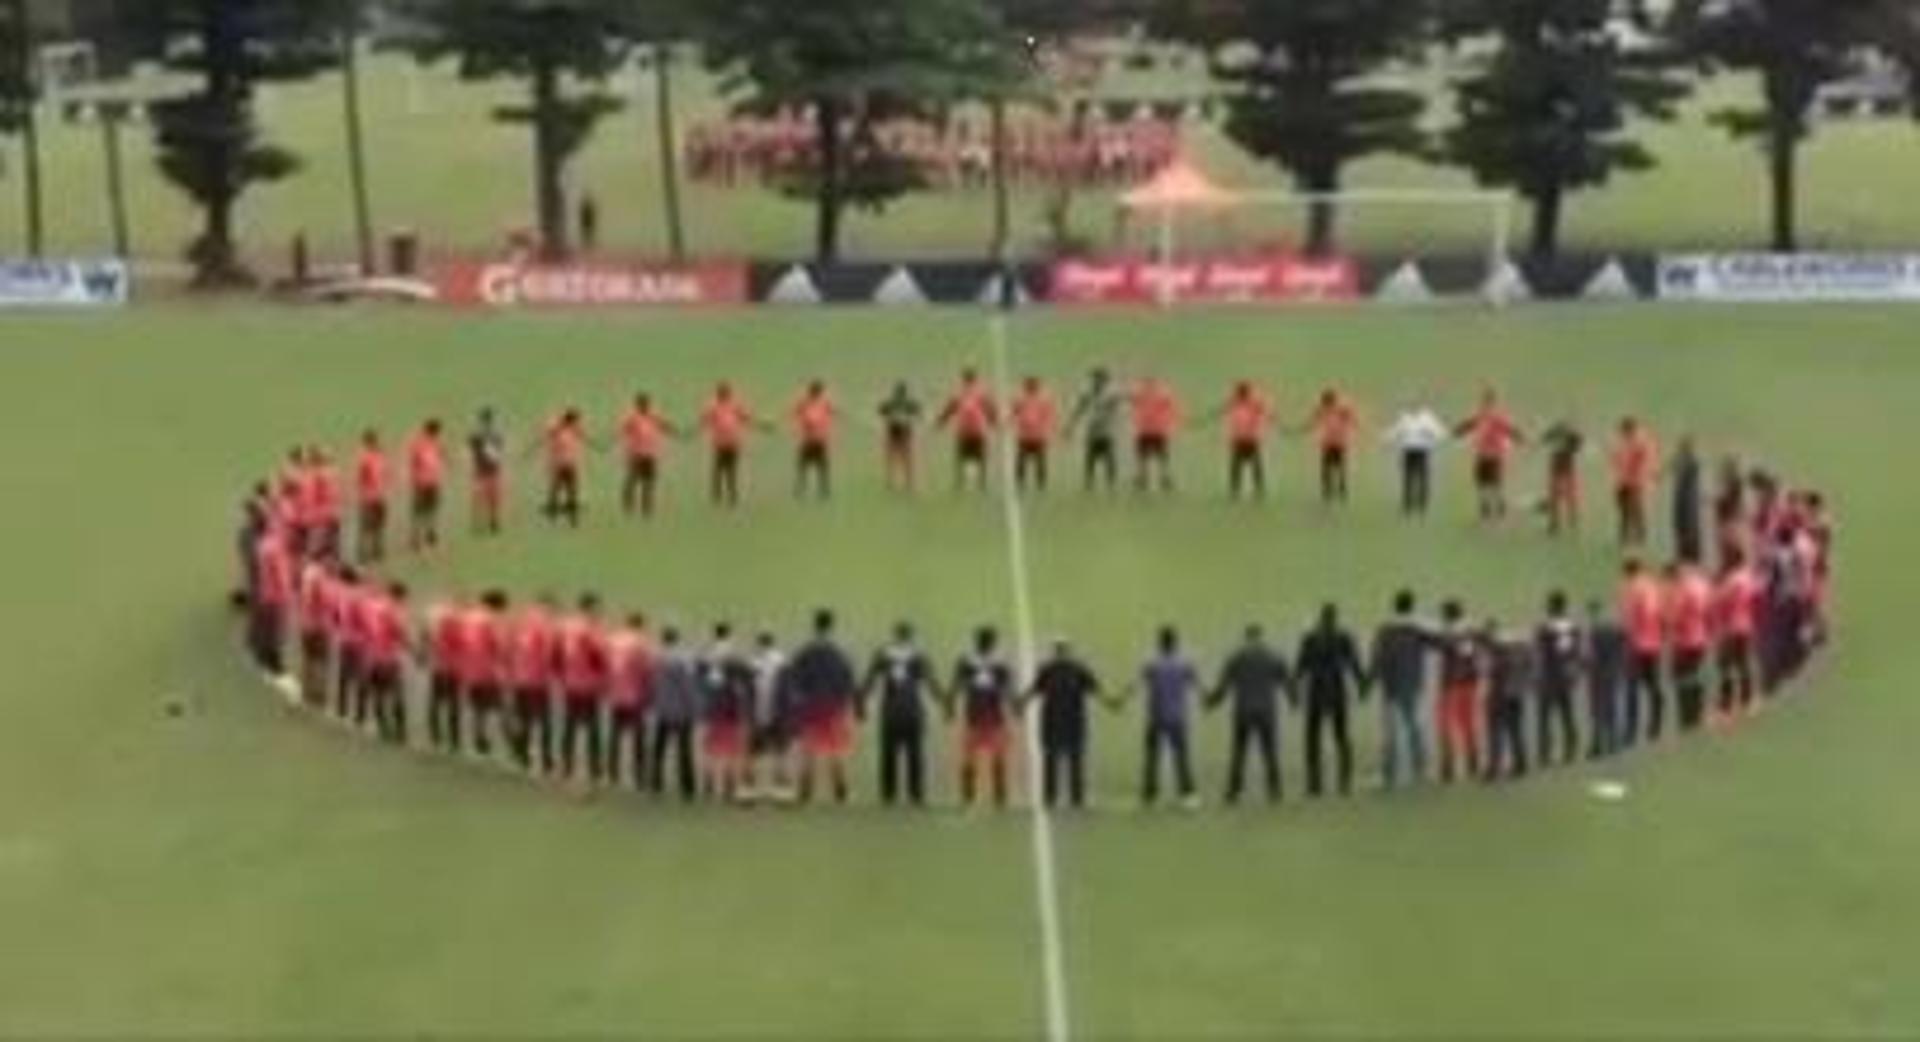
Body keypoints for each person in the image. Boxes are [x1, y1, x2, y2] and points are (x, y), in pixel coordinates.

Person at [1207, 624, 1293, 804]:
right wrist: (1294, 699)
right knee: (1269, 751)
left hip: (1243, 711)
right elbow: (1286, 681)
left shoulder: (1236, 657)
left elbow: (1223, 686)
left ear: (1246, 637)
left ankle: (1233, 791)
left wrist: (1211, 702)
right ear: (1261, 636)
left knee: (1239, 751)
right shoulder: (1273, 655)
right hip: (1266, 711)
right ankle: (1274, 790)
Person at [786, 609, 860, 804]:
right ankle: (840, 791)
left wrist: (798, 699)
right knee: (836, 748)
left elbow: (792, 678)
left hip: (810, 705)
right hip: (834, 706)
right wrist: (849, 702)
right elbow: (848, 679)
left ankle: (805, 791)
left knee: (808, 748)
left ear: (815, 625)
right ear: (831, 626)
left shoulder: (805, 650)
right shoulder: (840, 651)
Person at [1295, 604, 1369, 797]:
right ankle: (1344, 782)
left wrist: (1294, 689)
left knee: (1313, 738)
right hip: (1337, 691)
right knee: (1342, 737)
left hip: (1316, 691)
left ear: (1321, 617)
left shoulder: (1310, 638)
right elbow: (1354, 664)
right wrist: (1362, 686)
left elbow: (1301, 666)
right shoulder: (1344, 637)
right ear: (1335, 618)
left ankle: (1314, 783)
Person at [863, 621, 939, 807]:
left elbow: (869, 681)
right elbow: (931, 682)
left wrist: (860, 703)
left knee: (888, 754)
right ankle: (916, 795)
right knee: (915, 754)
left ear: (896, 635)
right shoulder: (919, 655)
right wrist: (945, 703)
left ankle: (888, 795)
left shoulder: (883, 654)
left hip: (890, 711)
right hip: (913, 710)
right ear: (911, 636)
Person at [1027, 637, 1105, 809]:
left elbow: (1034, 690)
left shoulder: (1050, 669)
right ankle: (1070, 797)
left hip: (1056, 721)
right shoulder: (1076, 669)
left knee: (1056, 760)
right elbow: (1096, 689)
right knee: (1068, 760)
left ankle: (1055, 797)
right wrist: (1111, 702)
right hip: (1070, 721)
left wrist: (1021, 703)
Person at [1369, 591, 1432, 789]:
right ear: (1411, 606)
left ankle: (1390, 774)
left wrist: (1368, 682)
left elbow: (1377, 658)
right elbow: (1441, 642)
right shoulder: (1417, 628)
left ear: (1394, 605)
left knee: (1390, 730)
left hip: (1391, 684)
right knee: (1414, 726)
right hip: (1412, 683)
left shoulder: (1385, 629)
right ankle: (1420, 770)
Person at [951, 626, 1017, 809]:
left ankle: (968, 796)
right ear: (993, 642)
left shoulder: (966, 661)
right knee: (997, 757)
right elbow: (1009, 688)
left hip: (974, 715)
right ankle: (999, 797)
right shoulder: (1000, 663)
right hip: (994, 717)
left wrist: (949, 704)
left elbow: (955, 685)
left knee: (970, 757)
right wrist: (1016, 705)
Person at [697, 623, 755, 802]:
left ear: (715, 634)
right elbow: (749, 677)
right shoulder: (735, 656)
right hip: (730, 707)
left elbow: (699, 679)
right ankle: (729, 785)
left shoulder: (706, 655)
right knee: (731, 748)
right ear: (729, 635)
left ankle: (708, 784)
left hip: (712, 707)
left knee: (710, 747)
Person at [558, 594, 612, 783]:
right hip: (587, 685)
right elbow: (599, 656)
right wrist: (605, 679)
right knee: (592, 728)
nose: (600, 612)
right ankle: (595, 768)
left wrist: (561, 674)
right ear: (589, 608)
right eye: (597, 608)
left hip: (570, 683)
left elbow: (557, 652)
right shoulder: (590, 629)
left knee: (570, 725)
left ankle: (566, 764)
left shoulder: (566, 625)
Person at [506, 594, 558, 776]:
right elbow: (548, 653)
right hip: (537, 680)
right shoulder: (546, 626)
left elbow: (509, 648)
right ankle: (546, 760)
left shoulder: (520, 621)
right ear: (548, 606)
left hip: (519, 678)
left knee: (523, 717)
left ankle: (520, 754)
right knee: (544, 721)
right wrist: (554, 674)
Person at [647, 626, 700, 801]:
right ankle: (687, 788)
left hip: (663, 710)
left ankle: (656, 783)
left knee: (659, 749)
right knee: (684, 750)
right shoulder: (682, 660)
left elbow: (653, 685)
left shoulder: (656, 659)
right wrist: (694, 709)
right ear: (677, 640)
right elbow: (688, 688)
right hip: (681, 712)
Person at [1455, 388, 1524, 521]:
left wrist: (1520, 439)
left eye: (1488, 402)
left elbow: (1510, 429)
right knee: (1481, 484)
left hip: (1494, 456)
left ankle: (1499, 508)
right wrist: (1457, 432)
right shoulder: (1479, 415)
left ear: (1493, 402)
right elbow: (1468, 424)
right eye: (1484, 401)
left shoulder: (1499, 417)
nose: (1485, 404)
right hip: (1481, 455)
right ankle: (1485, 509)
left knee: (1495, 484)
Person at [1434, 600, 1483, 783]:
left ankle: (1448, 767)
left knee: (1445, 725)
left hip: (1450, 685)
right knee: (1468, 723)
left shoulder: (1448, 634)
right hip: (1471, 682)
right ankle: (1473, 763)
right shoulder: (1471, 631)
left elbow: (1443, 646)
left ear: (1447, 615)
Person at [1620, 557, 1668, 744]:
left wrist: (1628, 636)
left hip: (1637, 645)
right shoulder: (1653, 586)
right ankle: (1655, 726)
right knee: (1653, 685)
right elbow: (1660, 614)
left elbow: (1631, 618)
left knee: (1632, 689)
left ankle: (1631, 732)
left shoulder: (1631, 589)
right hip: (1653, 643)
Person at [1534, 591, 1582, 766]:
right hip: (1566, 675)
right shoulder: (1572, 626)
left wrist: (1537, 675)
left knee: (1544, 716)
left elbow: (1538, 653)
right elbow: (1575, 653)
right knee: (1566, 713)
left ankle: (1545, 753)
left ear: (1552, 607)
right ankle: (1570, 748)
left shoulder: (1545, 628)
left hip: (1549, 677)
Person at [605, 613, 653, 788]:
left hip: (615, 694)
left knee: (615, 735)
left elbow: (605, 664)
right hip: (634, 696)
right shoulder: (640, 644)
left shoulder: (613, 640)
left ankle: (612, 771)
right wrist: (648, 694)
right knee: (638, 736)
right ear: (640, 626)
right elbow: (646, 671)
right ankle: (639, 775)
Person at [1481, 622, 1532, 782]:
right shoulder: (1517, 649)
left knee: (1495, 734)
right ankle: (1520, 764)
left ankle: (1493, 769)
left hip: (1498, 698)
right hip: (1515, 695)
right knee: (1515, 731)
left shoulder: (1496, 655)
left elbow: (1489, 675)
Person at [1668, 559, 1715, 731]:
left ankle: (1687, 718)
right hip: (1700, 638)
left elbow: (1676, 617)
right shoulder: (1703, 587)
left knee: (1683, 679)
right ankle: (1698, 714)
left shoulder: (1682, 590)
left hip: (1684, 641)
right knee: (1696, 676)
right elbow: (1710, 612)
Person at [1207, 381, 1274, 501]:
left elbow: (1266, 412)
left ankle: (1258, 488)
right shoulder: (1234, 402)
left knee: (1255, 464)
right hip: (1238, 437)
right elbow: (1224, 410)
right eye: (1239, 392)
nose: (1240, 395)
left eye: (1242, 392)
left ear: (1247, 392)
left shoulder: (1255, 402)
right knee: (1237, 465)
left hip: (1251, 437)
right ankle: (1235, 488)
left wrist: (1262, 424)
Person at [1713, 551, 1761, 718]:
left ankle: (1725, 707)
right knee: (1743, 663)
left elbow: (1721, 602)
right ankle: (1748, 702)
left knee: (1724, 666)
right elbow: (1757, 598)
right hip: (1747, 625)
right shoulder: (1749, 577)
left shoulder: (1731, 580)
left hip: (1731, 628)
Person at [746, 631, 793, 802]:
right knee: (780, 752)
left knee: (754, 753)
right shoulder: (783, 662)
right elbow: (788, 692)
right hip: (778, 714)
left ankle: (750, 789)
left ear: (759, 643)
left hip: (758, 714)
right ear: (773, 643)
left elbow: (748, 691)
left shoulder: (752, 663)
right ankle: (781, 790)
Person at [363, 582, 411, 745]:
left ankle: (382, 727)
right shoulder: (393, 611)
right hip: (388, 658)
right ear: (400, 597)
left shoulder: (375, 606)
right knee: (397, 694)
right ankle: (401, 731)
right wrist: (416, 651)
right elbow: (401, 633)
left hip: (372, 655)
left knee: (378, 693)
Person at [466, 590, 512, 758]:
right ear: (497, 607)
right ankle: (513, 741)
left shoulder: (470, 617)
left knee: (479, 708)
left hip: (470, 670)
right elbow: (500, 646)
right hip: (488, 671)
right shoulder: (491, 621)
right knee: (503, 707)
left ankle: (480, 737)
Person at [701, 382, 762, 508]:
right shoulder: (712, 406)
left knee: (731, 470)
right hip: (719, 443)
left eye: (725, 392)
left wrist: (762, 425)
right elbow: (704, 421)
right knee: (718, 469)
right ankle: (717, 493)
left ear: (728, 393)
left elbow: (746, 418)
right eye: (721, 392)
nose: (723, 394)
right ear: (718, 393)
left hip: (733, 443)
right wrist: (690, 432)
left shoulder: (735, 405)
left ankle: (732, 495)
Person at [937, 369, 998, 493]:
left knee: (962, 458)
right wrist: (994, 422)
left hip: (964, 430)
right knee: (980, 458)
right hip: (976, 429)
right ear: (975, 378)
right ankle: (981, 483)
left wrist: (941, 421)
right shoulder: (981, 392)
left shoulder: (959, 392)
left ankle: (961, 483)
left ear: (963, 378)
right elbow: (989, 408)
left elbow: (950, 408)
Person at [618, 394, 679, 518]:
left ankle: (647, 508)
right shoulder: (631, 417)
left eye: (646, 403)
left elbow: (664, 425)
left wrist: (675, 431)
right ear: (637, 404)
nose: (644, 405)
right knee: (632, 480)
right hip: (636, 454)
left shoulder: (654, 416)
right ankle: (628, 503)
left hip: (650, 454)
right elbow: (622, 430)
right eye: (642, 403)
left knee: (649, 482)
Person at [1383, 402, 1447, 517]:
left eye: (1416, 407)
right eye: (1412, 407)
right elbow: (1395, 431)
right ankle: (1407, 504)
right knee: (1408, 478)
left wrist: (1431, 434)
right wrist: (1386, 439)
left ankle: (1423, 503)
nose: (1414, 409)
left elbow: (1440, 433)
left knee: (1423, 478)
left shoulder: (1427, 419)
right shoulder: (1404, 419)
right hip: (1408, 451)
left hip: (1422, 451)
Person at [425, 593, 470, 753]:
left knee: (436, 701)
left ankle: (435, 735)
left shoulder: (438, 621)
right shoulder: (456, 623)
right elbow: (464, 644)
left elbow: (429, 637)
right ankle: (453, 739)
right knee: (452, 703)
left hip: (439, 666)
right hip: (452, 667)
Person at [1067, 367, 1125, 493]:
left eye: (1100, 379)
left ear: (1105, 380)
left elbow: (1120, 402)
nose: (1097, 381)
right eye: (1095, 378)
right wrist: (1070, 426)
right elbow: (1079, 409)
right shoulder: (1087, 393)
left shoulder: (1112, 393)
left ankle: (1111, 483)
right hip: (1092, 429)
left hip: (1107, 429)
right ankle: (1089, 482)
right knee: (1090, 457)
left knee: (1109, 457)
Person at [1584, 600, 1628, 758]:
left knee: (1597, 710)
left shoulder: (1594, 630)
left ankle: (1597, 745)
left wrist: (1586, 666)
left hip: (1598, 674)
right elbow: (1624, 642)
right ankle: (1612, 743)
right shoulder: (1614, 627)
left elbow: (1590, 656)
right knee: (1612, 707)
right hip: (1613, 672)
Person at [249, 523, 295, 676]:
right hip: (277, 597)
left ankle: (261, 654)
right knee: (277, 629)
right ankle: (273, 661)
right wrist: (288, 594)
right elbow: (281, 577)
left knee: (267, 627)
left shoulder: (263, 546)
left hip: (266, 592)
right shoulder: (277, 551)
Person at [535, 408, 592, 527]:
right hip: (558, 465)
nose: (577, 423)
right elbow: (545, 435)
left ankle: (573, 519)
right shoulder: (556, 428)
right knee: (555, 491)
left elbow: (585, 437)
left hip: (571, 464)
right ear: (569, 419)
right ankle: (552, 518)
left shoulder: (574, 429)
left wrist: (599, 446)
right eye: (575, 420)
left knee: (572, 492)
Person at [1304, 388, 1360, 505]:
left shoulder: (1343, 408)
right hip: (1328, 443)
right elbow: (1312, 420)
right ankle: (1328, 491)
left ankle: (1340, 490)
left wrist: (1354, 429)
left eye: (1328, 402)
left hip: (1339, 442)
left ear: (1333, 400)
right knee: (1327, 469)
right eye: (1325, 402)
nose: (1326, 404)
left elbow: (1354, 420)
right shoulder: (1321, 408)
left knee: (1339, 468)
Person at [1611, 417, 1659, 549]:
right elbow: (1616, 460)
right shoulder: (1622, 442)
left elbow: (1647, 462)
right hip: (1623, 482)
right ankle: (1624, 537)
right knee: (1624, 511)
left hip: (1636, 483)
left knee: (1637, 511)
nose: (1622, 434)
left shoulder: (1642, 442)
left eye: (1624, 431)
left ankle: (1640, 538)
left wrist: (1639, 481)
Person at [1129, 376, 1180, 494]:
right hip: (1153, 429)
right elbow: (1172, 407)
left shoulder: (1140, 392)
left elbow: (1130, 399)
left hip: (1150, 429)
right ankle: (1158, 479)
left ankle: (1148, 479)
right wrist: (1173, 421)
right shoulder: (1162, 392)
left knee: (1148, 457)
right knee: (1157, 457)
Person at [1010, 376, 1059, 494]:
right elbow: (1014, 412)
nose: (1030, 388)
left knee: (1036, 462)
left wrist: (1052, 428)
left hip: (1035, 435)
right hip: (1028, 435)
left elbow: (1049, 416)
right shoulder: (1022, 399)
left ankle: (1037, 484)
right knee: (1025, 461)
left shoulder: (1040, 399)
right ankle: (1024, 483)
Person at [791, 380, 838, 500]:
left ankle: (821, 490)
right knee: (807, 466)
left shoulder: (824, 403)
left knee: (817, 467)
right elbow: (792, 413)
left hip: (817, 441)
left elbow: (838, 412)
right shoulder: (804, 403)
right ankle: (805, 489)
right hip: (811, 441)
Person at [1539, 418, 1585, 536]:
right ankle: (1554, 524)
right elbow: (1544, 439)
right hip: (1557, 470)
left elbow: (1579, 444)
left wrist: (1574, 438)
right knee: (1555, 498)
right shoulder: (1554, 435)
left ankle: (1571, 522)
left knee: (1570, 498)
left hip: (1567, 470)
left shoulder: (1572, 439)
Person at [406, 419, 446, 552]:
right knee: (419, 511)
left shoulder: (437, 442)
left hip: (433, 481)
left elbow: (441, 456)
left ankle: (430, 534)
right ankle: (415, 538)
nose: (438, 435)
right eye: (436, 432)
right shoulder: (418, 443)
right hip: (421, 482)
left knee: (432, 509)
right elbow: (413, 461)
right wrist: (414, 478)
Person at [877, 382, 924, 493]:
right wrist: (910, 419)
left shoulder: (890, 402)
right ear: (905, 392)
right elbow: (919, 414)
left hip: (892, 433)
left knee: (891, 460)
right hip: (905, 434)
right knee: (907, 460)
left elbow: (881, 411)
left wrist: (890, 419)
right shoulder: (910, 403)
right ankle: (909, 484)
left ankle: (891, 483)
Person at [467, 408, 507, 536]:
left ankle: (492, 521)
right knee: (480, 497)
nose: (486, 422)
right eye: (485, 419)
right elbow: (472, 447)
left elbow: (500, 447)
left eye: (487, 419)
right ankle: (481, 523)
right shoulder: (478, 435)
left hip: (491, 469)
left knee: (493, 498)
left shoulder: (495, 434)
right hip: (482, 469)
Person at [353, 429, 389, 563]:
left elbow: (385, 472)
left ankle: (377, 550)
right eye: (374, 440)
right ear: (368, 442)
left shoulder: (380, 454)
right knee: (366, 526)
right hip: (368, 497)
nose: (378, 442)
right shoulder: (363, 457)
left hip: (380, 496)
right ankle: (362, 553)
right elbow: (359, 477)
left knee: (379, 525)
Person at [1671, 435, 1704, 564]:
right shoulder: (1681, 460)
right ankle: (1682, 555)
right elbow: (1673, 467)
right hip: (1680, 499)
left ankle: (1691, 557)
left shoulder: (1692, 462)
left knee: (1689, 527)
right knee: (1679, 527)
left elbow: (1684, 473)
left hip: (1689, 500)